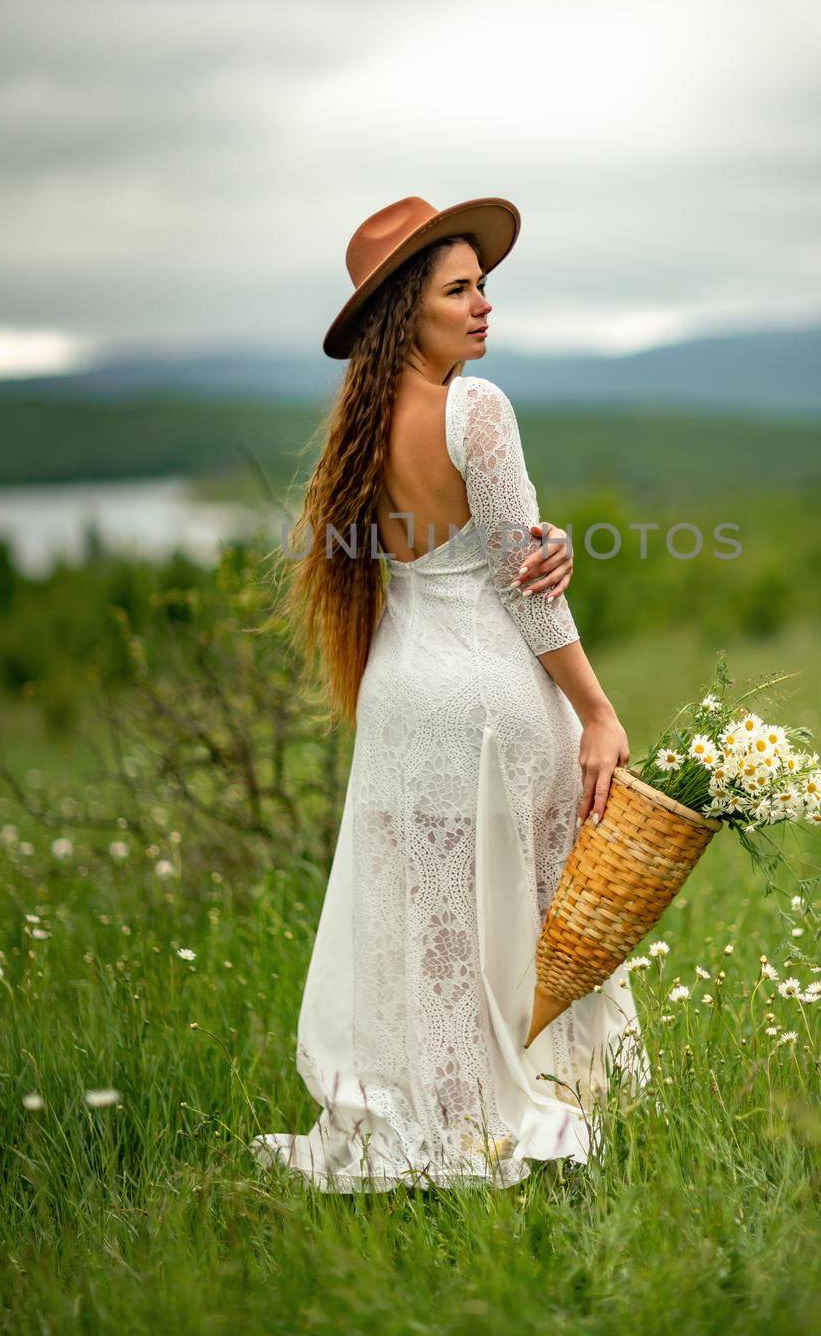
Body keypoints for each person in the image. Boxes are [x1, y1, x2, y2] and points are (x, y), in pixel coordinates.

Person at [251, 195, 651, 1193]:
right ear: (404, 312)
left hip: (402, 695)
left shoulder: (359, 428)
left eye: (483, 286)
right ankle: (533, 1099)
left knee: (429, 922)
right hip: (486, 695)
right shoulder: (477, 408)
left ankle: (438, 1113)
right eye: (457, 289)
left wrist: (541, 540)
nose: (481, 307)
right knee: (525, 913)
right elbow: (520, 585)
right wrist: (596, 711)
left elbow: (479, 548)